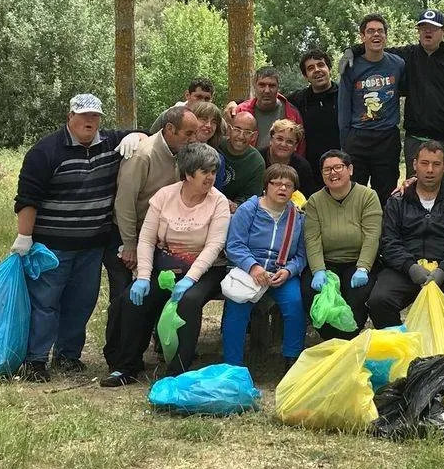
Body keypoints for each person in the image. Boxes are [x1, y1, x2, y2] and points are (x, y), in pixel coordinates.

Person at [12, 94, 143, 382]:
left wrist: (136, 135)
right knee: (46, 303)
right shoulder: (45, 151)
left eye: (95, 116)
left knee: (81, 303)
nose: (89, 121)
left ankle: (68, 356)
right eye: (83, 115)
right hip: (51, 246)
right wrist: (24, 237)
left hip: (91, 246)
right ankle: (35, 361)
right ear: (70, 116)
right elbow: (27, 199)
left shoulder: (111, 144)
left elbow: (148, 133)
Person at [101, 143, 231, 386]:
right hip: (165, 266)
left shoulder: (218, 202)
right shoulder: (164, 195)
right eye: (205, 172)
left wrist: (190, 279)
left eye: (214, 171)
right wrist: (142, 276)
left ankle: (178, 370)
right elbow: (148, 238)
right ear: (189, 173)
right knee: (132, 298)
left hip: (204, 270)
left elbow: (214, 246)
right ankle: (127, 366)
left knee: (188, 301)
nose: (211, 177)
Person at [102, 105, 199, 371]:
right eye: (188, 133)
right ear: (169, 130)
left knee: (144, 300)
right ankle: (117, 358)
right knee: (123, 298)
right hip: (125, 234)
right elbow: (124, 203)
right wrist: (130, 245)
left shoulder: (178, 153)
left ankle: (134, 356)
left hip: (152, 239)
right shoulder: (143, 155)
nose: (194, 139)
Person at [344, 9, 444, 188]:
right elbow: (375, 48)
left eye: (433, 28)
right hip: (415, 140)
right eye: (423, 28)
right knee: (414, 194)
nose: (427, 32)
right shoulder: (407, 56)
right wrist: (351, 52)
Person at [367, 141, 444, 328]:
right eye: (425, 163)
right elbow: (389, 242)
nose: (430, 170)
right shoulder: (397, 200)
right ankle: (398, 348)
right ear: (415, 164)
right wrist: (410, 267)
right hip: (405, 268)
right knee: (379, 300)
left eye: (436, 164)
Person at [222, 164, 307, 372]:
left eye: (288, 185)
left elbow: (302, 255)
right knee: (237, 306)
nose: (282, 188)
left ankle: (292, 360)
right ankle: (232, 366)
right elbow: (234, 245)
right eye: (276, 183)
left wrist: (289, 271)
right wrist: (254, 267)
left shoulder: (298, 217)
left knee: (296, 303)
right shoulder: (248, 210)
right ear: (266, 186)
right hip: (249, 270)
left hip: (281, 272)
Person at [303, 150, 383, 340]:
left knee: (358, 295)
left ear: (350, 169)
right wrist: (318, 270)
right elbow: (312, 238)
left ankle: (349, 341)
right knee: (309, 292)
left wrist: (363, 267)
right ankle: (330, 341)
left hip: (357, 263)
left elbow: (372, 235)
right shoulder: (314, 201)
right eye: (327, 170)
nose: (333, 173)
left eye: (338, 167)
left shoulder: (368, 196)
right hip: (327, 262)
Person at [338, 14, 406, 205]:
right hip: (358, 136)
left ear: (385, 36)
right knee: (353, 194)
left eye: (380, 31)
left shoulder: (398, 64)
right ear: (362, 36)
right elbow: (343, 107)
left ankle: (385, 234)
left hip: (387, 137)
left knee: (387, 195)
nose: (376, 35)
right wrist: (346, 140)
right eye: (370, 31)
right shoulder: (351, 66)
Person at [286, 49, 340, 179]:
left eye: (321, 65)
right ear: (306, 76)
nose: (317, 70)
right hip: (310, 170)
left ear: (329, 68)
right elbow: (271, 99)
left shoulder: (345, 95)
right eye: (310, 68)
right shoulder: (299, 98)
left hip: (341, 166)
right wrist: (236, 104)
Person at [231, 67, 305, 155]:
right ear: (255, 86)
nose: (267, 91)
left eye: (272, 86)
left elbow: (300, 148)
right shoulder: (241, 111)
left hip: (281, 167)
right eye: (262, 85)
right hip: (247, 166)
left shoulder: (292, 114)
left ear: (278, 87)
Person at [218, 111, 266, 211]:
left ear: (254, 136)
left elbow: (251, 198)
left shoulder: (257, 163)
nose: (241, 136)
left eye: (247, 132)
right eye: (237, 129)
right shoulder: (217, 145)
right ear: (230, 129)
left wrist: (235, 205)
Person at [260, 119, 317, 197]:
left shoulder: (302, 167)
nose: (283, 144)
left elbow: (307, 197)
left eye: (289, 141)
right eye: (279, 139)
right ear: (271, 140)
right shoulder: (257, 159)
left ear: (296, 146)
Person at [147, 77, 216, 133]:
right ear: (187, 95)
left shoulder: (216, 121)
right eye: (198, 97)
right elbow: (151, 137)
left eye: (207, 99)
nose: (202, 102)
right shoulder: (169, 116)